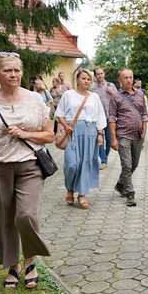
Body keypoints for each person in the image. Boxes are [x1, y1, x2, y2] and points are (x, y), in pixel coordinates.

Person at [0, 52, 53, 289]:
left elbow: (49, 135)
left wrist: (26, 134)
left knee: (25, 215)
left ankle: (31, 260)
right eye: (7, 70)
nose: (13, 74)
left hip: (29, 165)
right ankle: (13, 266)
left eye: (17, 70)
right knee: (4, 219)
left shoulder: (35, 99)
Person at [55, 69, 107, 209]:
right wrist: (66, 127)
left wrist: (100, 134)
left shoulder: (94, 97)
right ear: (77, 79)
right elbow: (59, 114)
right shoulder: (68, 95)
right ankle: (70, 189)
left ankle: (82, 194)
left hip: (90, 132)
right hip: (73, 131)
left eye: (89, 79)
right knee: (72, 164)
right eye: (83, 78)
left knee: (86, 163)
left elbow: (100, 116)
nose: (86, 81)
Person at [109, 69, 148, 207]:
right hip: (123, 136)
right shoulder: (116, 97)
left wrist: (144, 129)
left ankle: (120, 184)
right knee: (127, 165)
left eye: (131, 77)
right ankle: (130, 194)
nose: (129, 80)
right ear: (120, 80)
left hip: (138, 136)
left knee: (135, 164)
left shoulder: (140, 95)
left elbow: (144, 114)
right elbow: (112, 118)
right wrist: (113, 138)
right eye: (125, 77)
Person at [92, 67, 117, 169]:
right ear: (95, 76)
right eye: (98, 74)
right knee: (100, 139)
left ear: (104, 74)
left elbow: (119, 99)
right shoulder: (93, 88)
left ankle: (104, 158)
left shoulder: (110, 85)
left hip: (110, 117)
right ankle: (102, 160)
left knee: (109, 140)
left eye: (101, 73)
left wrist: (113, 93)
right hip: (98, 118)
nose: (100, 75)